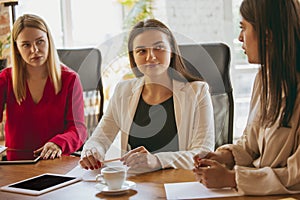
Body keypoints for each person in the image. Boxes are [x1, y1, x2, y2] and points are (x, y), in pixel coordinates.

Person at [79, 19, 215, 173]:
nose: (150, 57)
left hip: (180, 184)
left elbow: (202, 152)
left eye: (159, 48)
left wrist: (157, 160)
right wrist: (91, 152)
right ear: (134, 57)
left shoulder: (198, 92)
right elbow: (99, 138)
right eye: (141, 51)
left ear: (172, 52)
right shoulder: (123, 91)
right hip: (137, 185)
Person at [193, 0, 300, 195]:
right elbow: (251, 145)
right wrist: (225, 156)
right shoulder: (265, 78)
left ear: (267, 35)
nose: (240, 37)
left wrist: (232, 178)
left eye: (244, 28)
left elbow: (297, 176)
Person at [0, 14, 87, 160]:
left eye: (40, 42)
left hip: (56, 163)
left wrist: (59, 144)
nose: (34, 50)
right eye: (26, 45)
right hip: (17, 165)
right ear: (17, 48)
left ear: (48, 41)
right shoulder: (6, 79)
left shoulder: (70, 79)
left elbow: (78, 129)